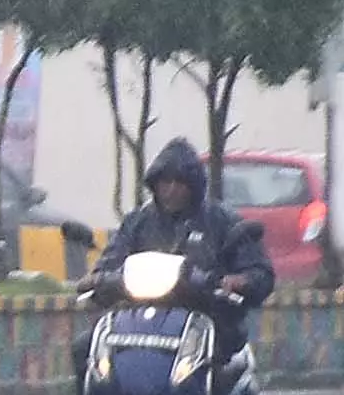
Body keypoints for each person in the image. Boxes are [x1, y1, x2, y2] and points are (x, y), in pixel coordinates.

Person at [94, 137, 275, 355]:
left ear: (193, 186)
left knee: (221, 353)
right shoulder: (137, 222)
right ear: (155, 184)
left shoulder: (221, 221)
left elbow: (260, 272)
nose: (171, 190)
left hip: (205, 319)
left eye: (179, 183)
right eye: (165, 182)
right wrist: (99, 278)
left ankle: (209, 388)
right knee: (87, 348)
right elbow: (112, 260)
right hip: (139, 322)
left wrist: (239, 281)